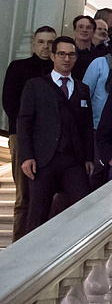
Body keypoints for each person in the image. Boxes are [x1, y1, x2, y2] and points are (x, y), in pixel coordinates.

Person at [17, 36, 94, 234]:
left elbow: (86, 126)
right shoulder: (35, 85)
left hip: (73, 161)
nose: (66, 59)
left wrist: (88, 158)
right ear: (52, 56)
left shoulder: (82, 89)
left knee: (82, 208)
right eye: (61, 54)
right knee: (38, 214)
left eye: (71, 54)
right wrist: (26, 156)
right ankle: (33, 260)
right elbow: (24, 122)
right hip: (43, 161)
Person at [2, 26, 56, 241]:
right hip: (22, 138)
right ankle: (17, 246)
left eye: (50, 42)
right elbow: (10, 104)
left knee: (48, 197)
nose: (46, 46)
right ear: (33, 44)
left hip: (51, 142)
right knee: (23, 197)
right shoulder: (18, 68)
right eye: (41, 42)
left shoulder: (59, 71)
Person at [71, 15, 99, 80]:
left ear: (93, 32)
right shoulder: (66, 52)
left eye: (88, 27)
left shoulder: (98, 55)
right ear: (75, 30)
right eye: (81, 27)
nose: (84, 30)